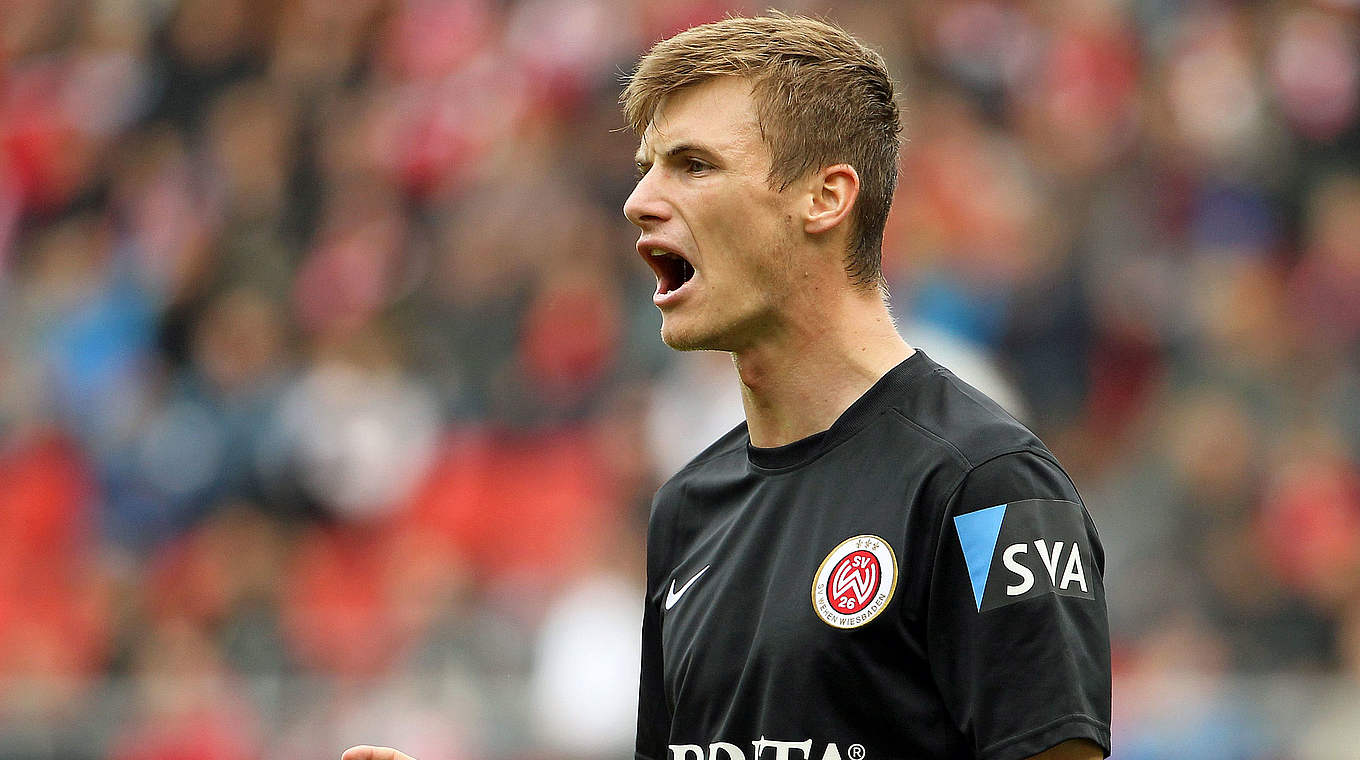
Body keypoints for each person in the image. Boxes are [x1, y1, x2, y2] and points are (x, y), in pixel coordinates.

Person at [343, 11, 1109, 760]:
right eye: (646, 168)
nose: (639, 201)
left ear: (825, 197)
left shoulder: (987, 487)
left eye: (694, 165)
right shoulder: (686, 511)